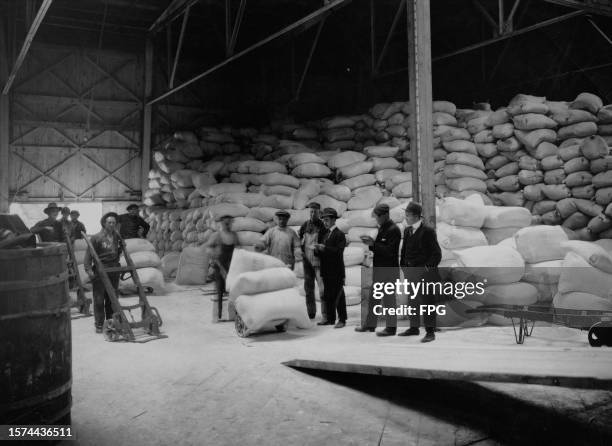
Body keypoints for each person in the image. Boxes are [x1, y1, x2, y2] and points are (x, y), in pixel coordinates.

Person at [398, 202, 442, 343]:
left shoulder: (428, 232)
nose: (406, 217)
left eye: (408, 215)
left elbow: (436, 254)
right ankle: (414, 328)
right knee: (413, 301)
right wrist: (403, 266)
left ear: (416, 216)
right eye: (406, 214)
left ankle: (430, 332)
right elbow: (404, 251)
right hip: (411, 274)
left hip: (424, 275)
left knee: (427, 303)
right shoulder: (407, 230)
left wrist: (426, 269)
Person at [355, 203, 401, 336]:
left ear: (385, 215)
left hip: (389, 272)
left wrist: (373, 244)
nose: (376, 219)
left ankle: (391, 329)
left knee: (389, 301)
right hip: (380, 270)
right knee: (374, 299)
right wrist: (371, 244)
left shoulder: (394, 230)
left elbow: (390, 252)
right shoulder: (383, 228)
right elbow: (381, 247)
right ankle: (370, 325)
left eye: (378, 217)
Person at [83, 212, 122, 334]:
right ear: (104, 223)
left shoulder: (116, 237)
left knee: (112, 298)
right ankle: (99, 324)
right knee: (99, 299)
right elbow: (88, 256)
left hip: (114, 270)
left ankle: (110, 321)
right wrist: (89, 270)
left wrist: (121, 248)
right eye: (109, 222)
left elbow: (117, 252)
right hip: (100, 270)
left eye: (114, 223)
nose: (111, 225)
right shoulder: (96, 238)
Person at [314, 208, 347, 328]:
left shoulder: (339, 234)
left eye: (327, 220)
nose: (325, 222)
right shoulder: (326, 234)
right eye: (324, 220)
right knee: (328, 295)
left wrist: (324, 249)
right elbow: (323, 253)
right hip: (326, 270)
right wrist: (317, 250)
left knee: (339, 295)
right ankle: (330, 319)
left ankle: (342, 320)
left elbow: (339, 252)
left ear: (334, 220)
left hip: (336, 270)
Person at [206, 215, 239, 320]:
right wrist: (214, 260)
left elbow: (238, 248)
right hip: (219, 265)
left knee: (232, 290)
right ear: (221, 223)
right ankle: (219, 315)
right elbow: (209, 248)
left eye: (229, 223)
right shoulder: (217, 235)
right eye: (225, 223)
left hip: (232, 265)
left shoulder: (234, 235)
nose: (227, 225)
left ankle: (232, 315)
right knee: (220, 290)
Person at [298, 202, 327, 320]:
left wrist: (320, 248)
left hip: (319, 261)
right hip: (307, 261)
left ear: (319, 212)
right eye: (310, 211)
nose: (312, 213)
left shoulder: (323, 226)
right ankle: (311, 313)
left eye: (314, 211)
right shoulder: (305, 225)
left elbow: (327, 243)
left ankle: (326, 314)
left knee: (322, 289)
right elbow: (300, 239)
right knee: (308, 288)